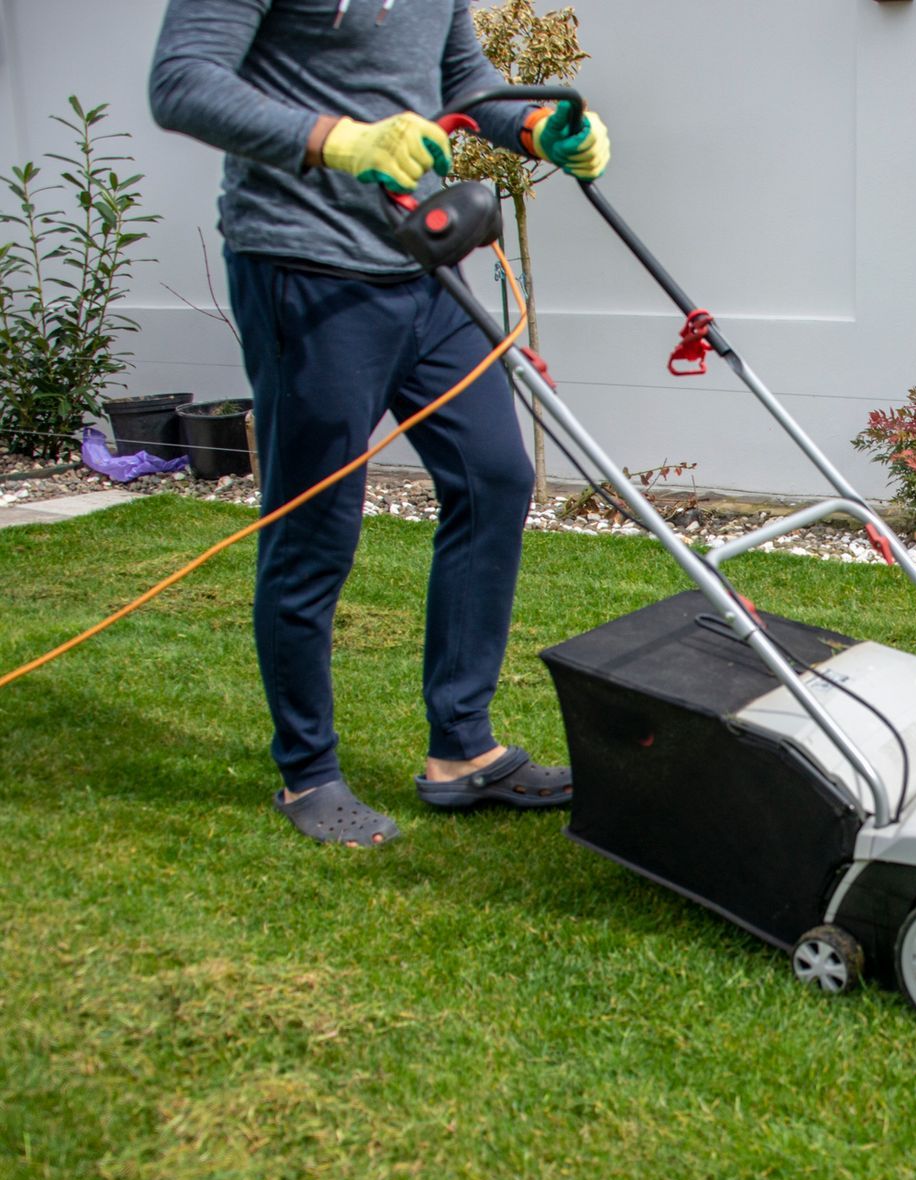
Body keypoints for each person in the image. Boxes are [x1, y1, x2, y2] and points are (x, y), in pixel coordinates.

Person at [149, 0, 610, 847]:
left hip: (419, 260)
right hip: (304, 268)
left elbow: (466, 83)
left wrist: (538, 124)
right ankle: (309, 770)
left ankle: (462, 749)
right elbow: (181, 83)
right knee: (315, 522)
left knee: (495, 475)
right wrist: (341, 139)